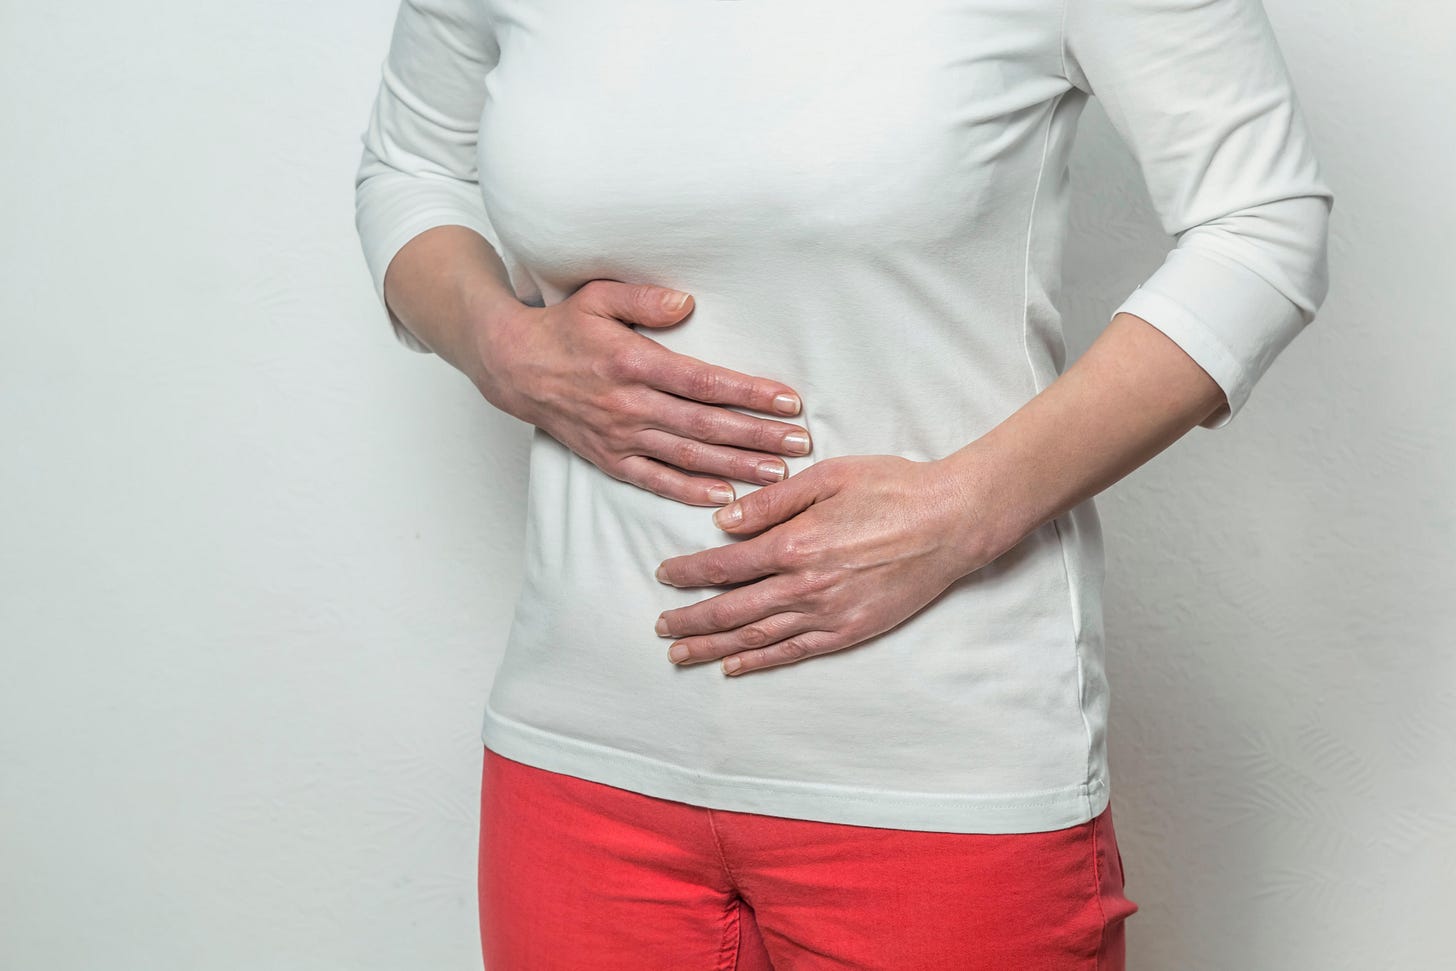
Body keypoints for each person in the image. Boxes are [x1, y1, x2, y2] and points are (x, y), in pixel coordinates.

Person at [353, 0, 1332, 967]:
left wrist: (964, 508)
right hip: (577, 762)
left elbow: (1259, 223)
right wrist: (497, 342)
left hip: (938, 780)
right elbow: (410, 168)